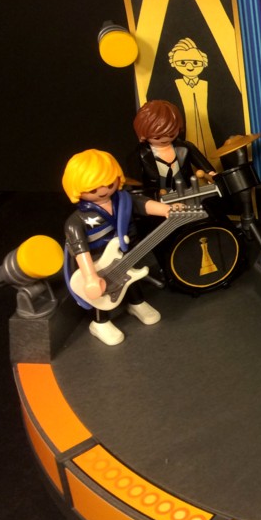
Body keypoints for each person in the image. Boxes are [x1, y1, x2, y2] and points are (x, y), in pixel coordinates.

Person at [62, 149, 179, 346]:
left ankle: (137, 303)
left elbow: (143, 204)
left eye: (109, 184)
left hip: (125, 253)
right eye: (93, 189)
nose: (103, 191)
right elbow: (80, 249)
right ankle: (100, 322)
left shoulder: (123, 200)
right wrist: (90, 277)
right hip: (97, 262)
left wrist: (167, 209)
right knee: (101, 294)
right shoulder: (76, 221)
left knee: (131, 279)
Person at [129, 100, 216, 198]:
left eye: (171, 134)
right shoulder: (139, 156)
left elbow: (207, 169)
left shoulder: (185, 147)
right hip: (159, 201)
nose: (165, 139)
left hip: (188, 194)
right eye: (157, 137)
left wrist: (212, 176)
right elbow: (136, 185)